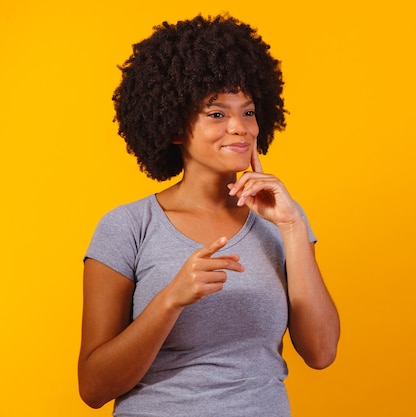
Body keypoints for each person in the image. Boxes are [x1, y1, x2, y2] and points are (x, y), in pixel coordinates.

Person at [78, 14, 340, 417]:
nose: (240, 128)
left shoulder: (282, 219)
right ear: (174, 128)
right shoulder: (128, 227)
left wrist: (292, 227)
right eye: (217, 114)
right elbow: (94, 387)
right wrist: (170, 299)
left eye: (248, 112)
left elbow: (321, 352)